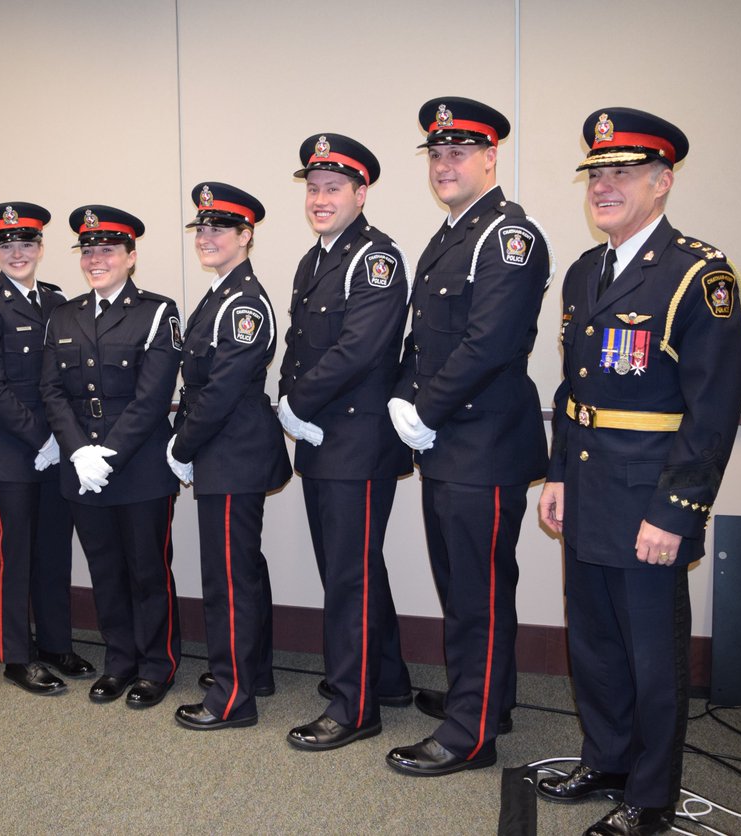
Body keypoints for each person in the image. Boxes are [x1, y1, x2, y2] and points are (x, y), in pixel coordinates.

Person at [536, 109, 741, 836]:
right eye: (596, 173)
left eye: (623, 172)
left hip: (648, 498)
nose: (604, 185)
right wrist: (558, 471)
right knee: (592, 642)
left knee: (653, 656)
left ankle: (652, 799)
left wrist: (678, 509)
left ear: (662, 182)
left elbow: (714, 408)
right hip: (590, 489)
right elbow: (574, 391)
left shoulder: (698, 273)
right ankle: (610, 760)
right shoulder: (584, 272)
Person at [385, 98, 552, 776]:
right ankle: (484, 700)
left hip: (481, 442)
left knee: (477, 592)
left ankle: (469, 735)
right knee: (463, 587)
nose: (445, 163)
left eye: (460, 151)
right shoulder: (451, 232)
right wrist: (404, 394)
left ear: (491, 157)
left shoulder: (509, 236)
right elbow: (423, 340)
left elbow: (491, 343)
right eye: (437, 153)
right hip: (449, 445)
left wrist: (424, 408)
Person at [275, 135, 414, 750]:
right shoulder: (315, 258)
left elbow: (360, 348)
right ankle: (386, 679)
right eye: (312, 188)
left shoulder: (375, 257)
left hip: (357, 441)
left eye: (333, 188)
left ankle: (353, 707)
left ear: (362, 193)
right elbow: (298, 345)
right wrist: (287, 395)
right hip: (324, 440)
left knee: (347, 576)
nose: (320, 198)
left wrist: (296, 404)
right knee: (355, 567)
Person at [41, 205, 182, 708]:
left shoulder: (158, 312)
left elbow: (152, 397)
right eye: (88, 250)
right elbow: (52, 391)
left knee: (148, 571)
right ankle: (118, 661)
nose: (96, 259)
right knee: (104, 570)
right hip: (82, 471)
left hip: (140, 468)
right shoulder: (63, 314)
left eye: (108, 250)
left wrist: (110, 455)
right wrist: (79, 452)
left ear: (131, 256)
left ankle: (156, 665)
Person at [167, 183, 291, 731]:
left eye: (221, 228)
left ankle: (232, 697)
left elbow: (218, 391)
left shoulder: (242, 302)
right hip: (226, 450)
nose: (208, 237)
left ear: (246, 236)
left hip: (229, 451)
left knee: (227, 578)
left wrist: (182, 444)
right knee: (243, 568)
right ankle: (251, 670)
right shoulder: (220, 293)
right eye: (203, 228)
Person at [0, 201, 94, 695]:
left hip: (54, 450)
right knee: (11, 555)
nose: (17, 252)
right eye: (5, 244)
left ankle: (56, 643)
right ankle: (16, 654)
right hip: (5, 453)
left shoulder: (56, 303)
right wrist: (42, 439)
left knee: (54, 551)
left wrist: (64, 441)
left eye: (26, 243)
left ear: (40, 247)